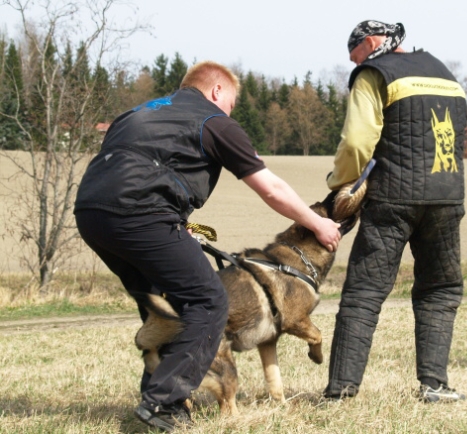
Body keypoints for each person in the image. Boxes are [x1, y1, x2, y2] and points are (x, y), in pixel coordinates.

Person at [74, 60, 341, 432]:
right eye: (231, 103)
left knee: (163, 305)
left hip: (91, 212)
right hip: (143, 213)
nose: (231, 111)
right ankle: (163, 404)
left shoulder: (137, 112)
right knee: (209, 301)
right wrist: (317, 223)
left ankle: (164, 399)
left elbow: (131, 167)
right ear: (217, 92)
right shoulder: (212, 120)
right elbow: (271, 188)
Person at [323, 20, 467, 403]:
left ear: (371, 43)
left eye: (354, 56)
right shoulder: (444, 71)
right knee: (440, 289)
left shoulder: (374, 72)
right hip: (448, 196)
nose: (354, 65)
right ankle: (436, 386)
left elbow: (357, 142)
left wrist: (340, 184)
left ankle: (341, 391)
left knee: (364, 293)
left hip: (393, 198)